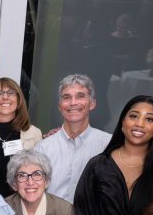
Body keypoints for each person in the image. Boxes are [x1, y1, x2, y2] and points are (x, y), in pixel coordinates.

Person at [35, 74, 112, 202]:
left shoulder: (107, 145)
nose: (73, 102)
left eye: (80, 96)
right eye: (67, 97)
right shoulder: (43, 149)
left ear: (92, 104)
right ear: (60, 106)